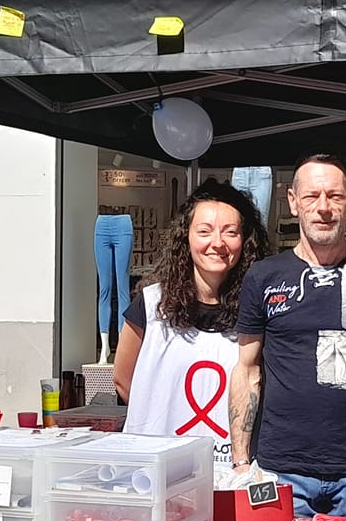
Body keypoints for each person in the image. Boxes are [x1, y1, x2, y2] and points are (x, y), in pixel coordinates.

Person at [231, 157, 346, 518]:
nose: (323, 207)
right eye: (312, 196)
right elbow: (247, 370)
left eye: (335, 196)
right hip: (280, 469)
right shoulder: (264, 277)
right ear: (293, 201)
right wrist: (240, 463)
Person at [113, 180, 271, 473]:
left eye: (230, 232)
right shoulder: (151, 304)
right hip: (157, 471)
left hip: (230, 470)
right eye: (204, 231)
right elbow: (123, 379)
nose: (217, 243)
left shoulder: (259, 310)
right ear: (185, 236)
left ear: (245, 240)